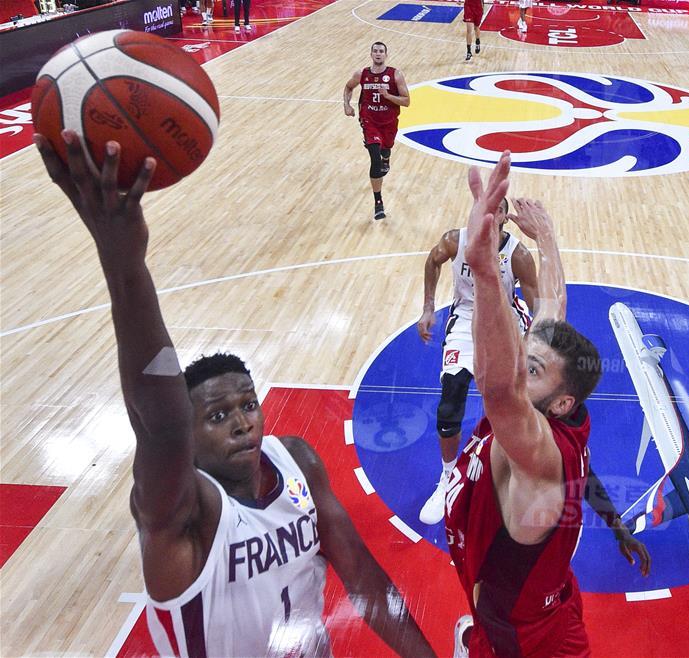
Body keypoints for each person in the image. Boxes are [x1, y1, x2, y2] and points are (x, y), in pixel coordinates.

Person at [32, 130, 436, 658]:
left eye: (247, 405)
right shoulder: (183, 510)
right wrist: (124, 262)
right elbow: (160, 423)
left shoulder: (296, 462)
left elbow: (364, 578)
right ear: (189, 438)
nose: (243, 422)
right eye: (218, 416)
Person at [444, 152, 645, 657]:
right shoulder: (565, 410)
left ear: (559, 403)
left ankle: (472, 642)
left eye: (531, 369)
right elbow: (552, 308)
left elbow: (498, 388)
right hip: (544, 601)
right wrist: (547, 236)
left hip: (524, 627)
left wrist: (485, 273)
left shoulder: (537, 452)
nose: (519, 360)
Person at [416, 198, 538, 525]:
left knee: (507, 405)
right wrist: (428, 307)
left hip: (505, 321)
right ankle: (447, 477)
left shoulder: (518, 255)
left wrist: (531, 344)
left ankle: (512, 475)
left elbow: (539, 307)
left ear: (504, 218)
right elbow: (432, 261)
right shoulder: (455, 241)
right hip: (466, 319)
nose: (490, 211)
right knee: (449, 403)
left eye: (498, 208)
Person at [343, 42, 410, 221]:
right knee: (375, 159)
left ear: (386, 55)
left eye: (381, 51)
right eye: (375, 51)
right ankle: (378, 202)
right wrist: (346, 105)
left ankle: (386, 155)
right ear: (371, 54)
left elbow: (406, 101)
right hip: (369, 121)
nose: (378, 54)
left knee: (386, 148)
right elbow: (348, 87)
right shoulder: (362, 74)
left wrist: (387, 96)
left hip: (388, 122)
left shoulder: (395, 74)